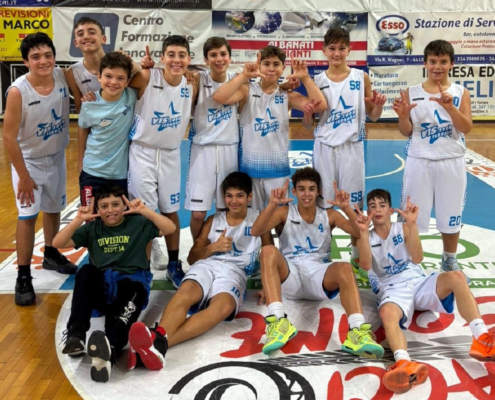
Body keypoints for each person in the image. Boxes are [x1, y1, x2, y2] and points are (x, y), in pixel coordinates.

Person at [126, 172, 271, 370]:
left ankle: (155, 343)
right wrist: (213, 247)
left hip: (235, 272)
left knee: (223, 308)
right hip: (207, 265)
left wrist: (266, 285)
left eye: (239, 195)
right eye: (229, 195)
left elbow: (269, 254)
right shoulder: (214, 220)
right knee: (185, 292)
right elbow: (192, 258)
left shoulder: (259, 220)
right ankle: (156, 344)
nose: (234, 201)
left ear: (249, 197)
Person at [355, 189, 494, 394]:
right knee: (386, 313)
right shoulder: (365, 237)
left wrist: (412, 225)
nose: (377, 209)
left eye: (382, 205)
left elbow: (418, 258)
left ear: (391, 210)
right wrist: (363, 233)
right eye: (372, 206)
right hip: (392, 290)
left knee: (457, 277)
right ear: (368, 212)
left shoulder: (403, 228)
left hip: (418, 283)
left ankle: (481, 338)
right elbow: (366, 265)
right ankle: (404, 363)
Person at [250, 167, 384, 358]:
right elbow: (256, 231)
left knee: (345, 268)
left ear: (318, 191)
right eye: (301, 189)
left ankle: (357, 332)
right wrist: (272, 204)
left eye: (311, 189)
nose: (307, 194)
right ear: (294, 191)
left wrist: (346, 208)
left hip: (319, 276)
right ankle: (279, 322)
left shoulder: (329, 215)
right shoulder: (284, 212)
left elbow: (359, 231)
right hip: (290, 275)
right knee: (268, 251)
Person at [54, 185, 175, 382]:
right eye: (104, 206)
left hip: (131, 284)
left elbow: (170, 228)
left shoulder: (138, 223)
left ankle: (110, 348)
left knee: (129, 300)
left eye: (115, 204)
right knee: (86, 271)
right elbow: (58, 243)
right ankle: (76, 335)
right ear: (97, 209)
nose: (110, 210)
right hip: (104, 288)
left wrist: (143, 210)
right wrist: (78, 219)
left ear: (124, 205)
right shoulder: (93, 227)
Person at [302, 28, 386, 281]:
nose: (337, 53)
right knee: (323, 205)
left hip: (352, 147)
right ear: (324, 51)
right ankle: (323, 252)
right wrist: (307, 113)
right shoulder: (317, 81)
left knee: (354, 205)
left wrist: (378, 107)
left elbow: (373, 116)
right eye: (332, 48)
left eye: (341, 48)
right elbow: (308, 124)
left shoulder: (361, 77)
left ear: (349, 50)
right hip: (324, 148)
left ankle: (357, 255)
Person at [3, 33, 77, 306]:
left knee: (54, 208)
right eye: (35, 57)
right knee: (27, 216)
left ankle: (51, 253)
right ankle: (23, 276)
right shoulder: (17, 91)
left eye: (48, 55)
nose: (43, 61)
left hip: (56, 156)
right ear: (26, 62)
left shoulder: (62, 76)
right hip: (29, 161)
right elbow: (9, 137)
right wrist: (23, 175)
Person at [393, 40, 472, 280]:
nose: (438, 66)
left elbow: (466, 128)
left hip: (451, 160)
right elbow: (406, 131)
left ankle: (449, 260)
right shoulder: (411, 92)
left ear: (452, 64)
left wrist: (450, 109)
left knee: (451, 214)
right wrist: (403, 117)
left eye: (443, 61)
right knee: (411, 214)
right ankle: (408, 262)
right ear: (425, 63)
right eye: (433, 61)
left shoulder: (461, 93)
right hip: (419, 160)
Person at [213, 46, 327, 211]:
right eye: (266, 64)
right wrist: (244, 76)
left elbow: (320, 105)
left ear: (283, 68)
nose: (271, 68)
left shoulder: (287, 96)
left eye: (276, 64)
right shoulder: (247, 90)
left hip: (278, 170)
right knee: (253, 218)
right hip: (249, 170)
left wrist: (305, 78)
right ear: (259, 66)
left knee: (279, 217)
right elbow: (219, 97)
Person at [127, 35, 196, 286]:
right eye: (171, 55)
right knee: (143, 212)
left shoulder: (193, 83)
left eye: (181, 55)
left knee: (170, 210)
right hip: (142, 152)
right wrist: (137, 65)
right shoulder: (147, 77)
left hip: (170, 154)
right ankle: (142, 268)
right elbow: (117, 70)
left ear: (189, 59)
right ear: (162, 58)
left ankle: (174, 264)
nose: (176, 60)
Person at [78, 52, 137, 207]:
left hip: (120, 174)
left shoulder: (132, 96)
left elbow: (146, 76)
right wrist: (80, 162)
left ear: (128, 81)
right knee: (90, 216)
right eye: (108, 76)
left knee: (118, 217)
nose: (113, 82)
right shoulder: (89, 103)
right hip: (91, 171)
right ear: (99, 77)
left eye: (120, 78)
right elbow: (83, 129)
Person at [66, 17, 140, 113]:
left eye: (92, 32)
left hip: (123, 118)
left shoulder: (120, 60)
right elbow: (79, 108)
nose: (86, 36)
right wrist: (86, 101)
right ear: (76, 43)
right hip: (96, 121)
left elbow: (143, 86)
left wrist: (144, 66)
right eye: (80, 34)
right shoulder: (72, 72)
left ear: (103, 39)